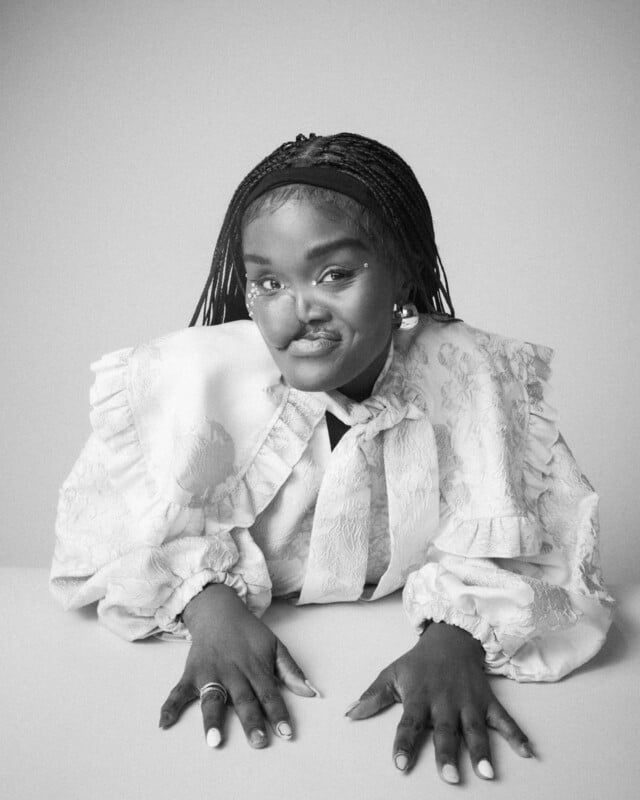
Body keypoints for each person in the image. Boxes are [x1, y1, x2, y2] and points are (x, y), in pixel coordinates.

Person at [51, 132, 614, 785]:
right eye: (267, 281)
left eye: (335, 274)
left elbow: (560, 554)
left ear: (401, 272)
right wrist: (206, 606)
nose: (300, 311)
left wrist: (458, 638)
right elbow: (95, 539)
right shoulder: (190, 386)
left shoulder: (475, 378)